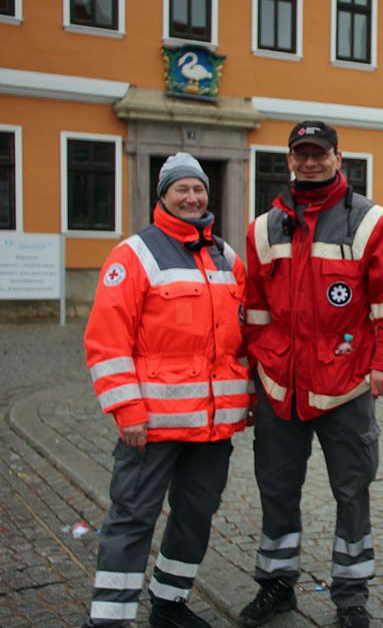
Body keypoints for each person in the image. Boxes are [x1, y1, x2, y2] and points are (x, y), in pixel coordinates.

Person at [239, 121, 383, 628]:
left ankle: (351, 595)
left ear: (339, 158)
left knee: (352, 492)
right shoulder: (263, 228)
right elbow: (254, 311)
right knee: (276, 489)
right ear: (290, 160)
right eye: (301, 154)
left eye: (319, 153)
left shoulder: (372, 223)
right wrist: (260, 368)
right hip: (282, 387)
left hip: (346, 386)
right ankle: (275, 584)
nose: (310, 162)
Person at [82, 152, 251, 628]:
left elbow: (242, 340)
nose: (192, 198)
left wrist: (249, 399)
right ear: (163, 196)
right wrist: (127, 411)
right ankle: (109, 618)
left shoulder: (226, 257)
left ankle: (169, 603)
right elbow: (106, 342)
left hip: (213, 426)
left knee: (196, 514)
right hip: (152, 426)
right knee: (133, 517)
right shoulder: (133, 255)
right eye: (182, 189)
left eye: (198, 189)